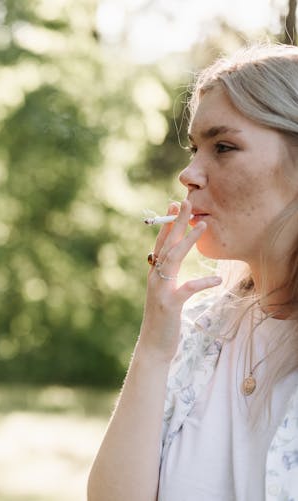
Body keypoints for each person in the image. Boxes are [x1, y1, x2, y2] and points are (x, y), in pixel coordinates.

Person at [88, 43, 298, 501]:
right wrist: (154, 346)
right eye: (195, 148)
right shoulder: (203, 328)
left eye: (223, 147)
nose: (188, 174)